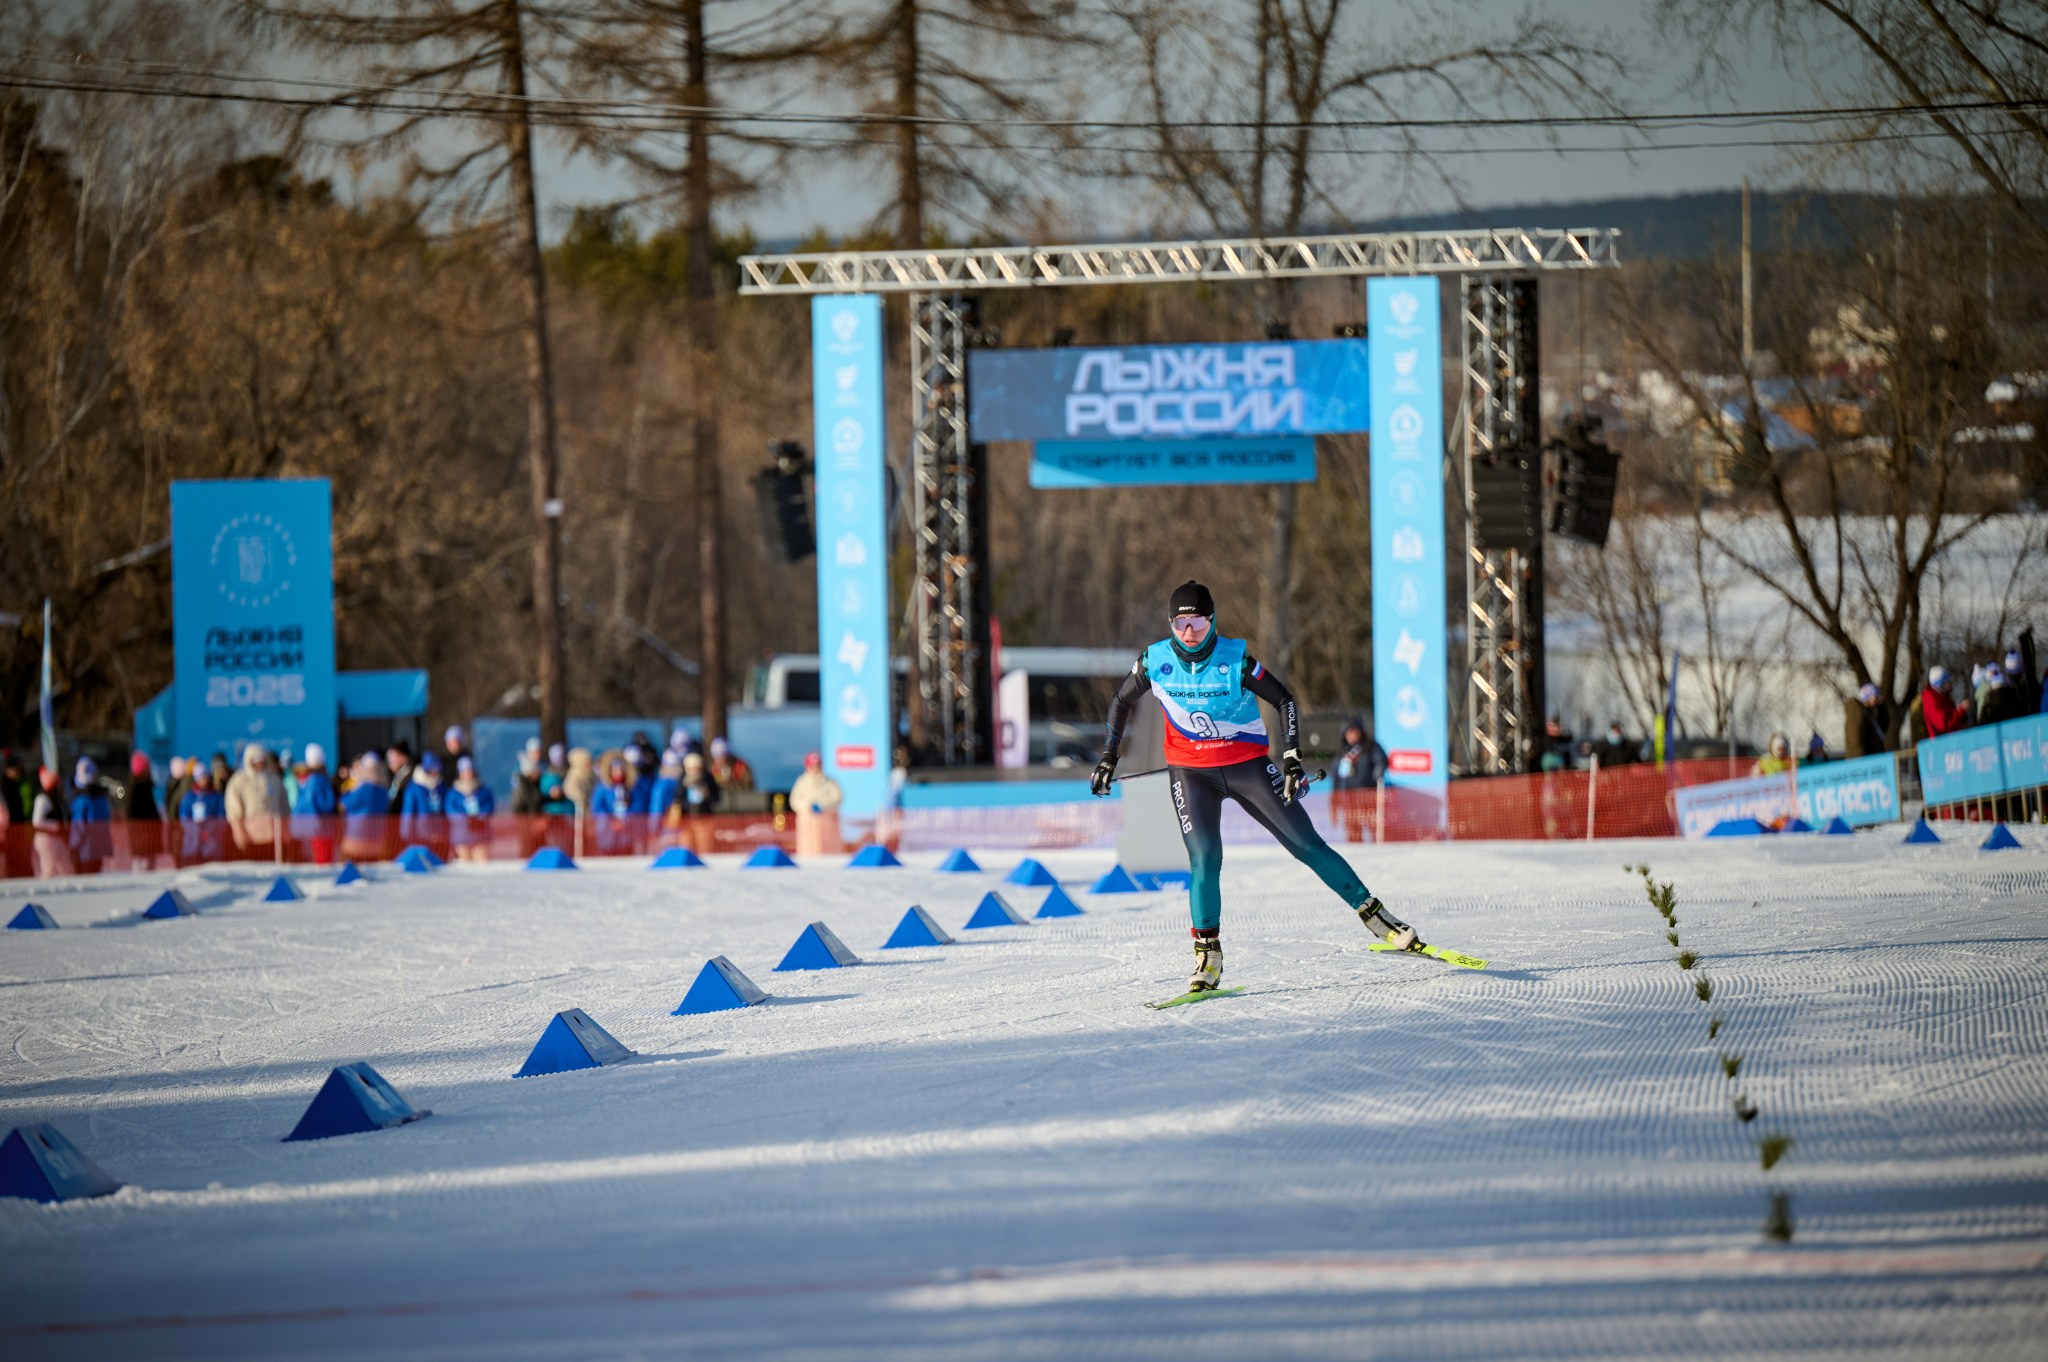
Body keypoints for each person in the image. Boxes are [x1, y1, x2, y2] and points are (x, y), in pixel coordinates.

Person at [1091, 579, 1425, 995]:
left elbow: (1284, 699)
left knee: (1306, 844)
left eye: (1196, 621)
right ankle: (1207, 954)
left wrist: (1290, 757)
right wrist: (1109, 756)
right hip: (1192, 774)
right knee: (1206, 858)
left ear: (1211, 621)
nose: (1188, 632)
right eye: (1180, 623)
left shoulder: (1235, 660)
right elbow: (1121, 702)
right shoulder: (1154, 660)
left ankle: (1377, 917)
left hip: (1247, 766)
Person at [1329, 718, 1385, 844]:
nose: (1352, 735)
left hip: (1368, 799)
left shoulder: (1370, 748)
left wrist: (1379, 769)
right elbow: (1336, 782)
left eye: (1355, 731)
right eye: (1349, 732)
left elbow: (1381, 760)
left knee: (1374, 831)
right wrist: (1334, 805)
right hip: (1348, 802)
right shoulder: (1340, 754)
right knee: (1353, 835)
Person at [225, 744, 287, 856]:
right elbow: (233, 811)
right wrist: (239, 834)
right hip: (250, 837)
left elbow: (284, 807)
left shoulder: (274, 780)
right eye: (255, 759)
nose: (259, 762)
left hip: (273, 837)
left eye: (261, 759)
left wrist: (285, 832)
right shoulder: (239, 781)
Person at [789, 751, 843, 856]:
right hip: (807, 824)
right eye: (812, 765)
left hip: (827, 825)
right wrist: (807, 806)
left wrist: (824, 806)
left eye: (817, 765)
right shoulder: (801, 782)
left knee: (829, 853)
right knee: (809, 851)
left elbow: (837, 798)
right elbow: (795, 801)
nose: (815, 768)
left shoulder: (830, 782)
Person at [292, 743, 339, 863]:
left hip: (311, 825)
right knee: (322, 858)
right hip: (320, 826)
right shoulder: (319, 780)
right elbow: (326, 803)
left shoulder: (308, 780)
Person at [341, 753, 391, 863]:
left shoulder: (364, 788)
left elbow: (346, 803)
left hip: (358, 834)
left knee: (356, 868)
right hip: (378, 836)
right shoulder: (383, 789)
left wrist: (350, 791)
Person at [66, 757, 112, 875]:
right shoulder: (102, 798)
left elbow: (79, 826)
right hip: (99, 849)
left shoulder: (80, 800)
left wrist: (73, 846)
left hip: (84, 851)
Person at [447, 756, 495, 862]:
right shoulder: (453, 793)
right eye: (465, 771)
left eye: (470, 770)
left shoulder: (484, 790)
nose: (468, 774)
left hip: (481, 834)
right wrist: (465, 819)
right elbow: (450, 809)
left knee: (482, 864)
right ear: (460, 773)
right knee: (465, 866)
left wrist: (479, 817)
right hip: (462, 835)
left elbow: (489, 807)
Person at [177, 764, 228, 865]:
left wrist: (210, 829)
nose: (203, 781)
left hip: (212, 841)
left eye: (205, 778)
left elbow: (221, 816)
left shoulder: (216, 796)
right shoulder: (189, 797)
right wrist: (196, 830)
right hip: (193, 841)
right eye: (200, 779)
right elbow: (184, 816)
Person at [121, 751, 164, 867]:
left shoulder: (147, 787)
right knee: (141, 865)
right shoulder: (135, 788)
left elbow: (152, 810)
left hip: (150, 832)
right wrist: (138, 830)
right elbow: (130, 812)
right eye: (147, 769)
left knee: (150, 864)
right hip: (140, 834)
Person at [399, 752, 449, 851]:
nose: (436, 772)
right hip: (420, 835)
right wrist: (406, 834)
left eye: (438, 769)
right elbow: (408, 812)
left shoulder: (441, 786)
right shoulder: (414, 788)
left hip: (439, 834)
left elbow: (445, 810)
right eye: (433, 769)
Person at [31, 766, 73, 878]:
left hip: (58, 838)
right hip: (46, 839)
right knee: (49, 869)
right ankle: (46, 892)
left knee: (67, 868)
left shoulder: (57, 799)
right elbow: (37, 822)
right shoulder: (42, 799)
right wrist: (56, 826)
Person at [1919, 666, 1970, 738]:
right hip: (1943, 745)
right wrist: (1961, 710)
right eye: (1947, 681)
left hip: (1954, 740)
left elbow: (1954, 723)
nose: (1949, 684)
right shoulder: (1931, 700)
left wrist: (1963, 714)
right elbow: (1943, 724)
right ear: (1940, 685)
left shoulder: (1946, 698)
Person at [1845, 682, 1891, 757]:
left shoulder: (1870, 716)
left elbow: (1883, 726)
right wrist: (1861, 762)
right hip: (1864, 762)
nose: (1876, 698)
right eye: (1874, 696)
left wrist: (1882, 707)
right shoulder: (1857, 712)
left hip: (1874, 759)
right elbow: (1855, 740)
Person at [385, 742, 417, 813]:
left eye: (392, 757)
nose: (390, 761)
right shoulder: (398, 775)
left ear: (403, 757)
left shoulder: (412, 776)